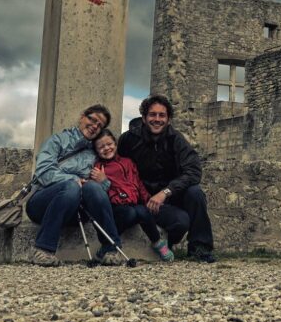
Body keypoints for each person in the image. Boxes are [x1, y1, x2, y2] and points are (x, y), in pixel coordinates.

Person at [118, 95, 216, 262]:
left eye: (162, 115)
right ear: (144, 117)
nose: (157, 119)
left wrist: (166, 192)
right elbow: (118, 167)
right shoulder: (129, 139)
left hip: (169, 196)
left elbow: (193, 170)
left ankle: (199, 247)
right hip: (142, 199)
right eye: (152, 114)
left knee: (195, 193)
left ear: (168, 119)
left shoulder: (176, 140)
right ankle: (161, 244)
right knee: (180, 220)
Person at [25, 104, 125, 267]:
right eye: (92, 119)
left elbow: (101, 192)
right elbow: (43, 172)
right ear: (82, 117)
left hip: (77, 211)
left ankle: (110, 248)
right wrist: (73, 179)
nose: (94, 126)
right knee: (71, 186)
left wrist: (103, 181)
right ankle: (43, 250)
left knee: (92, 188)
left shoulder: (95, 152)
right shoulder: (57, 140)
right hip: (42, 203)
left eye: (100, 125)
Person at [92, 129, 174, 262]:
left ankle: (158, 242)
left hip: (134, 204)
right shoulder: (99, 168)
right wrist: (103, 180)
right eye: (101, 147)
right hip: (116, 208)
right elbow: (99, 193)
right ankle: (107, 244)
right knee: (131, 212)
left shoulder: (128, 162)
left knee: (142, 210)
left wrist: (148, 198)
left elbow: (138, 184)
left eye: (109, 144)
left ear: (115, 143)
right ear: (96, 150)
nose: (106, 148)